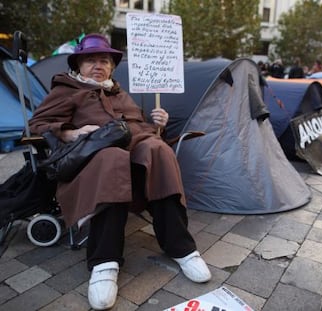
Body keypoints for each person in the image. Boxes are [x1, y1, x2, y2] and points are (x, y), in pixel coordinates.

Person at [28, 33, 211, 310]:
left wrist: (158, 124)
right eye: (90, 60)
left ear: (112, 66)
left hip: (135, 159)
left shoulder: (119, 92)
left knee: (158, 151)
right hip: (90, 166)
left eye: (104, 60)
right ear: (79, 65)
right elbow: (38, 124)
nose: (98, 65)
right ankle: (104, 261)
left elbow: (139, 128)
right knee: (111, 157)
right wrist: (71, 132)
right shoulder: (66, 89)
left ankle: (181, 247)